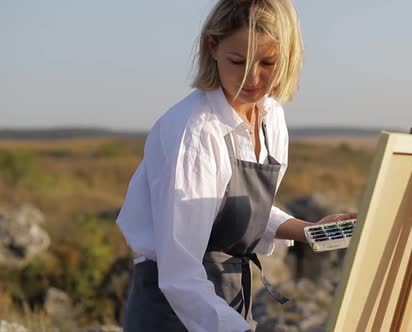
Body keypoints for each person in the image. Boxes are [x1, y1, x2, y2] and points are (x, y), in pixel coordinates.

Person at [116, 0, 356, 331]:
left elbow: (231, 207)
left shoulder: (271, 116)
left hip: (229, 298)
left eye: (268, 62)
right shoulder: (196, 131)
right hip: (174, 310)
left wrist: (308, 231)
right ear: (212, 46)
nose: (253, 78)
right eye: (238, 61)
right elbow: (179, 273)